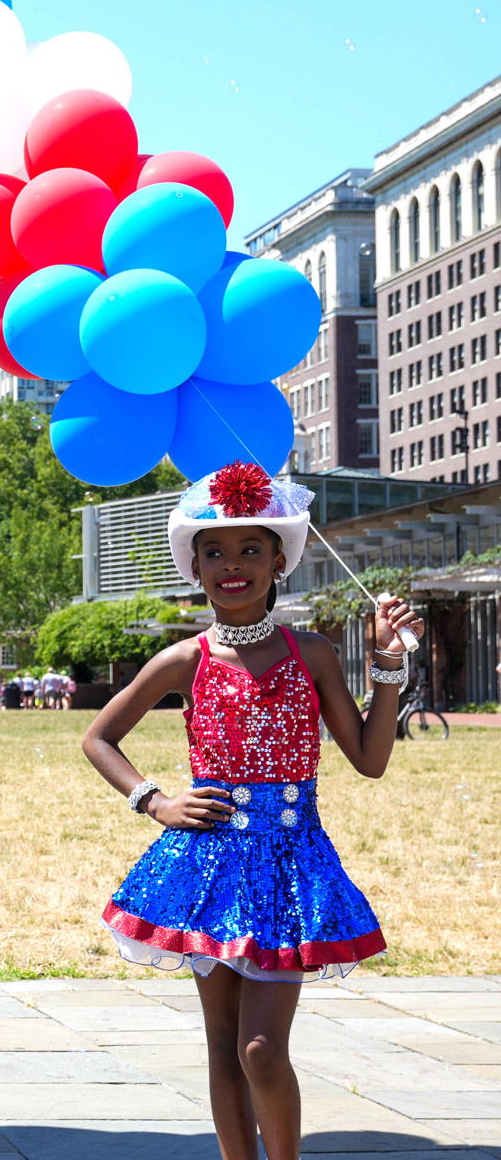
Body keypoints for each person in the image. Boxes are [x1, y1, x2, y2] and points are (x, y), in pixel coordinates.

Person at [81, 463, 420, 1160]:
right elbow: (98, 736)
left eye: (249, 550)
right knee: (225, 1051)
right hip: (206, 864)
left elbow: (370, 756)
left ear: (279, 561)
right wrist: (156, 800)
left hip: (291, 864)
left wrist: (387, 667)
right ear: (195, 565)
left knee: (263, 1048)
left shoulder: (314, 652)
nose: (231, 565)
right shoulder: (185, 659)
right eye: (214, 552)